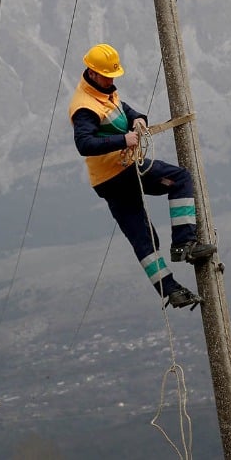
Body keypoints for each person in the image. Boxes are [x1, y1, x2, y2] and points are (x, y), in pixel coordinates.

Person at [68, 43, 216, 310]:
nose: (112, 79)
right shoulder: (85, 107)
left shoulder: (103, 93)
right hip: (120, 172)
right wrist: (123, 139)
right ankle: (184, 243)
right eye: (107, 75)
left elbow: (124, 109)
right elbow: (84, 144)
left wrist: (138, 119)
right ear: (92, 72)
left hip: (112, 178)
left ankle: (170, 290)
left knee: (143, 238)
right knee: (180, 179)